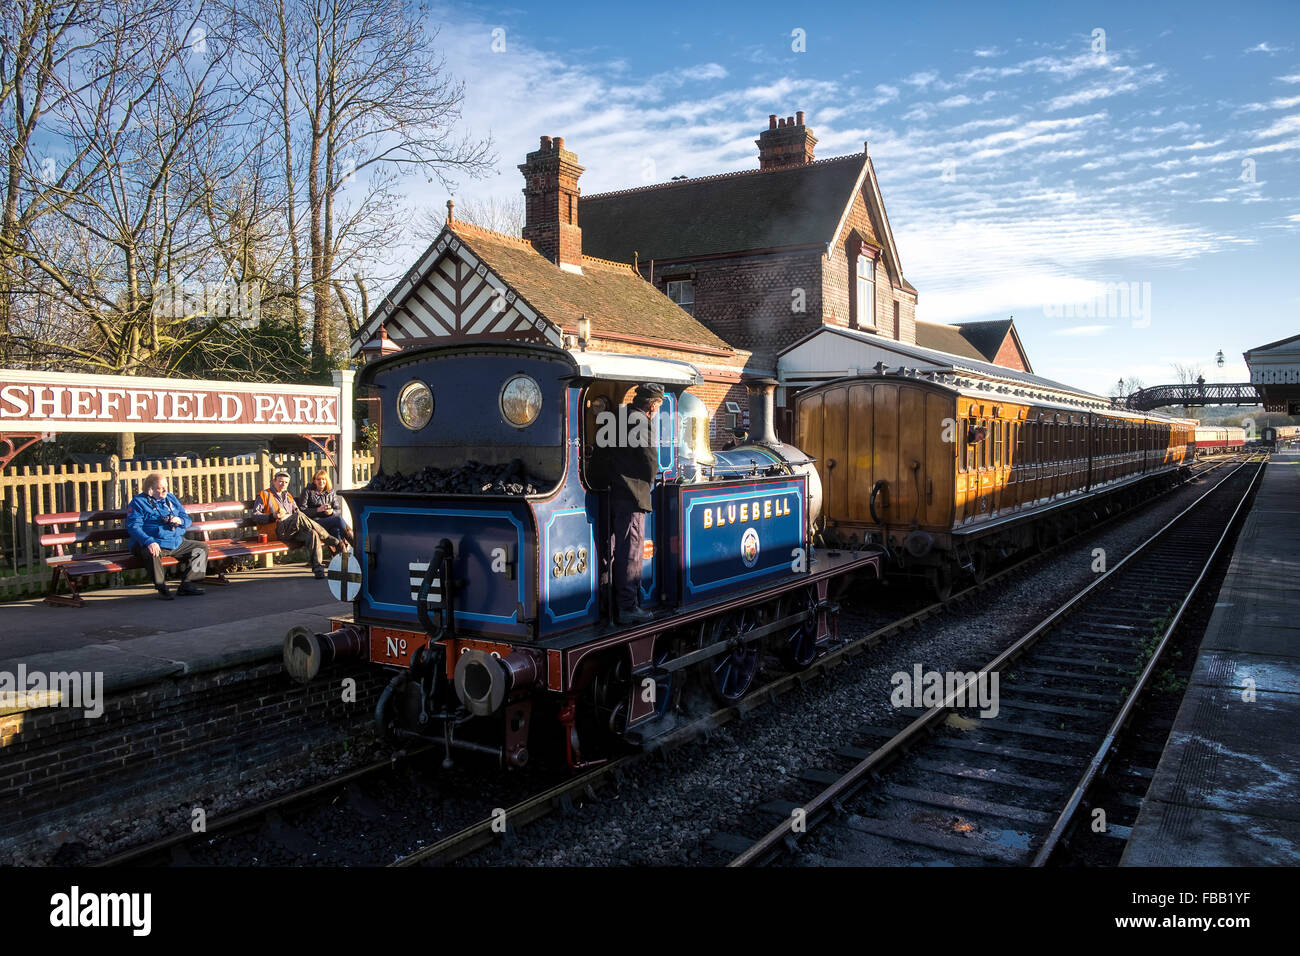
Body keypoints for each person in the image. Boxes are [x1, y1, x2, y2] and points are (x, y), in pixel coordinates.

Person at [604, 383, 663, 624]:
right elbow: (650, 460)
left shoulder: (614, 417)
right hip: (632, 494)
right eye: (658, 407)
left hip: (610, 492)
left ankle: (610, 600)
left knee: (613, 548)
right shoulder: (641, 421)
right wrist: (646, 483)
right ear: (652, 405)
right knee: (631, 550)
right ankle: (628, 606)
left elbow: (602, 453)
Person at [125, 473, 208, 600]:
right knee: (152, 552)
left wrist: (180, 521)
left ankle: (188, 584)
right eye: (160, 488)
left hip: (174, 541)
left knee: (201, 549)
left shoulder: (171, 498)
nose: (165, 490)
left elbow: (187, 519)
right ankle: (161, 587)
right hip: (151, 542)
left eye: (166, 487)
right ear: (150, 489)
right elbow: (133, 527)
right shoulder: (138, 502)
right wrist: (149, 541)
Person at [253, 469, 341, 579]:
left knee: (312, 533)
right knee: (299, 516)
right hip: (275, 530)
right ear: (273, 481)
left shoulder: (288, 496)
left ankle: (318, 570)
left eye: (285, 482)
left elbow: (298, 512)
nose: (283, 484)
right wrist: (273, 516)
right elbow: (255, 516)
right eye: (280, 481)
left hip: (292, 530)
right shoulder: (264, 495)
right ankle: (329, 538)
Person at [298, 469, 354, 548]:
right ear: (314, 481)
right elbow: (302, 511)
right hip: (314, 523)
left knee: (336, 532)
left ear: (326, 480)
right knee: (338, 520)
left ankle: (343, 557)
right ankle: (356, 545)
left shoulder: (330, 492)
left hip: (329, 522)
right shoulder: (307, 491)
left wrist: (331, 512)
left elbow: (338, 509)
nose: (321, 481)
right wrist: (318, 510)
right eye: (318, 479)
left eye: (323, 479)